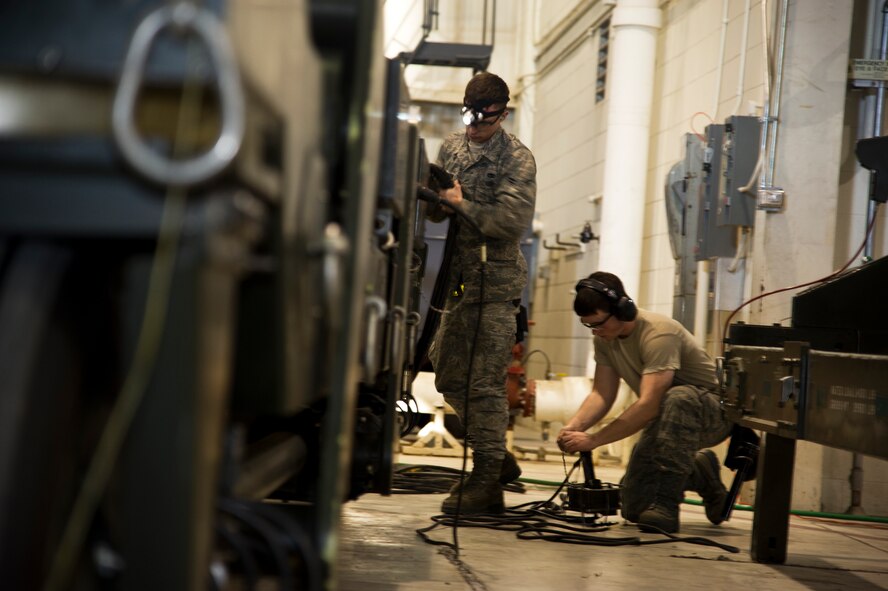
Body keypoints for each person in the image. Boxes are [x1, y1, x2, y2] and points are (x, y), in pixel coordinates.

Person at [427, 72, 536, 515]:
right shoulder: (451, 148)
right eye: (469, 118)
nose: (474, 129)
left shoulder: (517, 159)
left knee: (486, 384)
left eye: (484, 121)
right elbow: (438, 217)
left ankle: (486, 479)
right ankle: (497, 457)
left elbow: (510, 223)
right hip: (459, 279)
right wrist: (436, 200)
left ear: (502, 114)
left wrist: (458, 202)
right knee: (447, 372)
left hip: (496, 284)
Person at [556, 271, 732, 533]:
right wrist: (574, 427)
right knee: (634, 508)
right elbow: (602, 394)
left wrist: (594, 440)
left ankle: (666, 505)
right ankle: (701, 472)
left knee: (678, 396)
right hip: (668, 417)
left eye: (599, 324)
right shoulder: (605, 338)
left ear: (623, 310)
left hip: (713, 412)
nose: (596, 331)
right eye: (589, 325)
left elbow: (650, 404)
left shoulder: (659, 333)